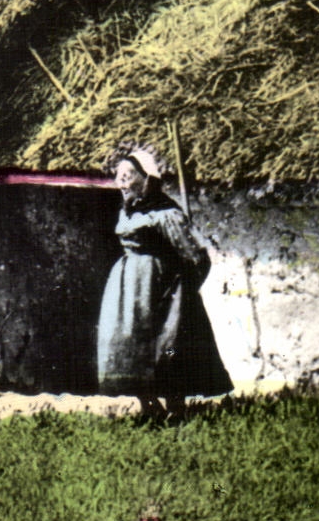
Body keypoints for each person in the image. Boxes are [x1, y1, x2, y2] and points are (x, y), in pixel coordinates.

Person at [96, 143, 232, 417]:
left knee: (168, 347)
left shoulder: (166, 213)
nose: (121, 182)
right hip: (127, 294)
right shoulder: (128, 211)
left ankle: (176, 409)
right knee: (129, 345)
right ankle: (149, 407)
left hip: (161, 293)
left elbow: (196, 257)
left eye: (128, 176)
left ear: (147, 179)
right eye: (119, 176)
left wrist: (184, 291)